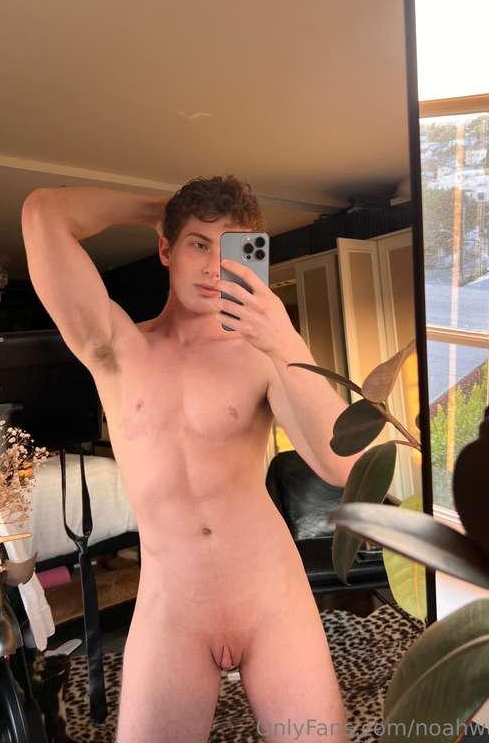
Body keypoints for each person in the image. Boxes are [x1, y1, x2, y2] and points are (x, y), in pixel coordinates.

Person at [21, 175, 359, 742]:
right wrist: (160, 208)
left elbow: (343, 466)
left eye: (230, 249)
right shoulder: (117, 347)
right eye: (199, 244)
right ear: (165, 249)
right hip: (172, 606)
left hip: (271, 595)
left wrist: (286, 343)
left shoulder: (261, 354)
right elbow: (42, 213)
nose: (212, 267)